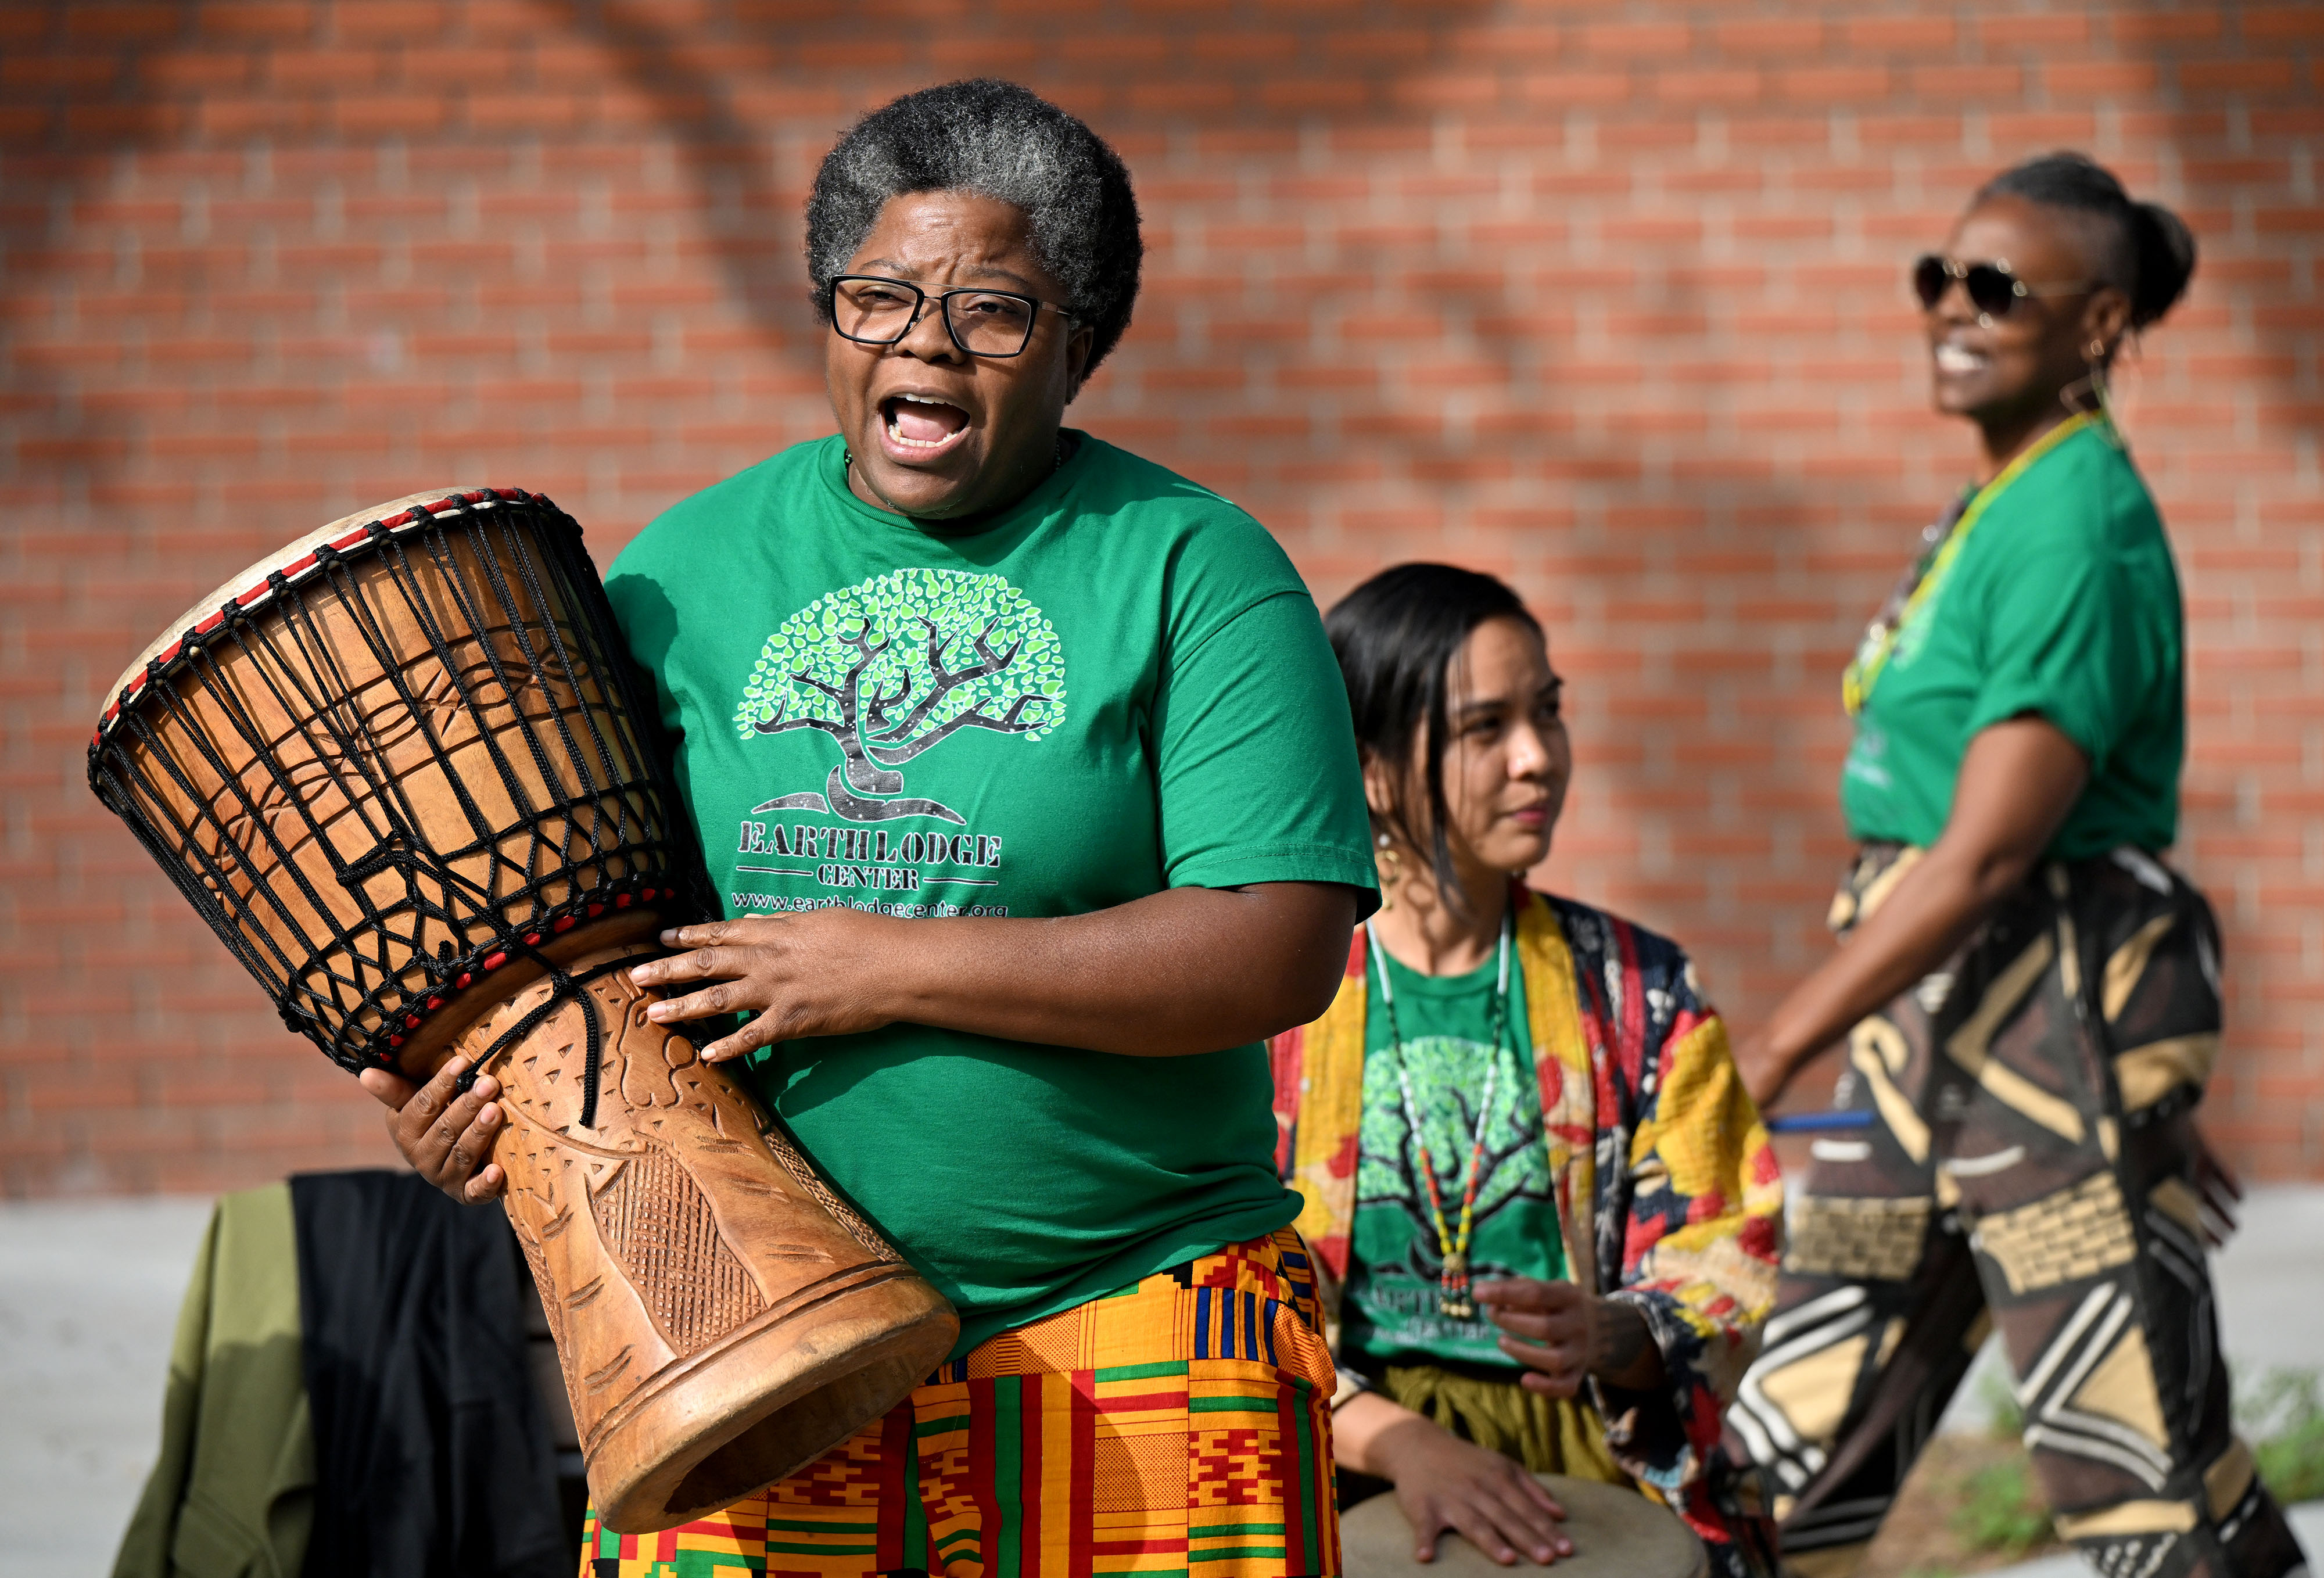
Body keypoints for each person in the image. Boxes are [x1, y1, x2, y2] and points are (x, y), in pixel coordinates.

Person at [358, 80, 1380, 1578]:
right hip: (735, 1332)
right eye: (878, 295)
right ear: (828, 316)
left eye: (993, 311)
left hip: (1128, 1314)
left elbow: (1275, 944)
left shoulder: (1194, 568)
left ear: (1080, 341)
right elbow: (570, 933)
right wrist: (462, 1091)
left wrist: (881, 965)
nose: (924, 342)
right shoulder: (681, 575)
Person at [1719, 153, 2306, 1578]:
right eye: (1939, 277)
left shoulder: (2071, 522)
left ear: (2097, 326)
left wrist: (1777, 1040)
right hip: (1955, 1022)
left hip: (2032, 1008)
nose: (1953, 308)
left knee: (2138, 1465)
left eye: (1999, 287)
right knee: (1777, 1449)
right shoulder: (2005, 498)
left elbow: (1991, 850)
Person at [1269, 564, 1782, 1577]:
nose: (1536, 758)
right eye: (1484, 728)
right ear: (1368, 768)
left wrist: (1618, 1332)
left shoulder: (1641, 993)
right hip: (1342, 1443)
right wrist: (1400, 1440)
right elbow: (1218, 1284)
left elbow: (1730, 1246)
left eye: (1548, 715)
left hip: (1586, 1452)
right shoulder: (1277, 992)